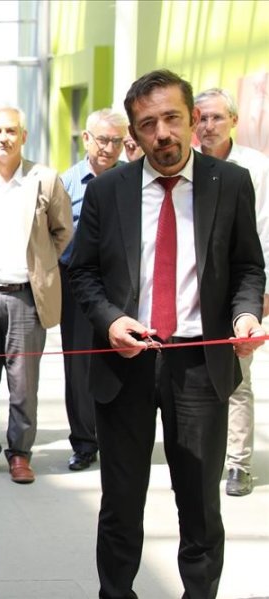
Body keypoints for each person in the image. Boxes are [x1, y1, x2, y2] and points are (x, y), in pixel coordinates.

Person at [69, 69, 265, 599]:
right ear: (133, 133)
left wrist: (246, 316)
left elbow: (249, 267)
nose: (163, 133)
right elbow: (80, 271)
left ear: (194, 120)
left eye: (173, 118)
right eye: (148, 124)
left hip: (200, 364)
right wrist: (111, 320)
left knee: (200, 503)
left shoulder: (231, 184)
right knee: (120, 502)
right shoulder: (109, 191)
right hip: (125, 361)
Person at [0, 106, 72, 484]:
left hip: (25, 297)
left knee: (24, 384)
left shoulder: (45, 179)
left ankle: (20, 453)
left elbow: (62, 230)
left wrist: (41, 265)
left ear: (23, 136)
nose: (3, 137)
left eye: (11, 131)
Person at [194, 87, 269, 496]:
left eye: (217, 118)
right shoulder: (186, 166)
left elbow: (265, 230)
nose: (208, 126)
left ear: (234, 122)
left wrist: (261, 293)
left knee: (238, 376)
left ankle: (238, 463)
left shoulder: (254, 168)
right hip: (196, 291)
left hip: (241, 288)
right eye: (201, 118)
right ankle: (202, 456)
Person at [59, 108, 129, 471]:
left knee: (125, 360)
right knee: (79, 366)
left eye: (117, 141)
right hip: (77, 285)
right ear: (86, 139)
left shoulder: (133, 179)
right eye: (102, 139)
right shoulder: (66, 183)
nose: (109, 147)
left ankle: (118, 436)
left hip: (124, 284)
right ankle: (84, 443)